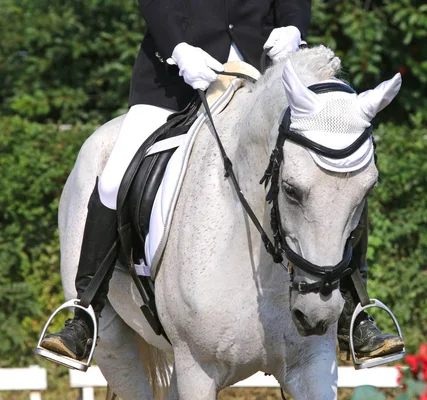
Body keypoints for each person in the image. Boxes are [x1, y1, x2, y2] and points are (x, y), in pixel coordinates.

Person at [39, 0, 403, 363]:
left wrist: (293, 28)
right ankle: (85, 314)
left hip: (262, 79)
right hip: (174, 82)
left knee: (333, 174)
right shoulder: (177, 62)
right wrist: (179, 50)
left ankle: (354, 314)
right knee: (113, 177)